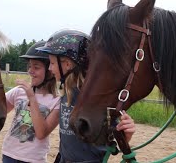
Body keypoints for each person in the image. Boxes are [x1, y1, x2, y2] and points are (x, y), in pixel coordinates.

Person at [36, 29, 136, 163]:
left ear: (67, 64)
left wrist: (125, 132)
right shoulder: (67, 90)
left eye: (52, 63)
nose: (50, 69)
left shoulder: (92, 97)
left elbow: (114, 132)